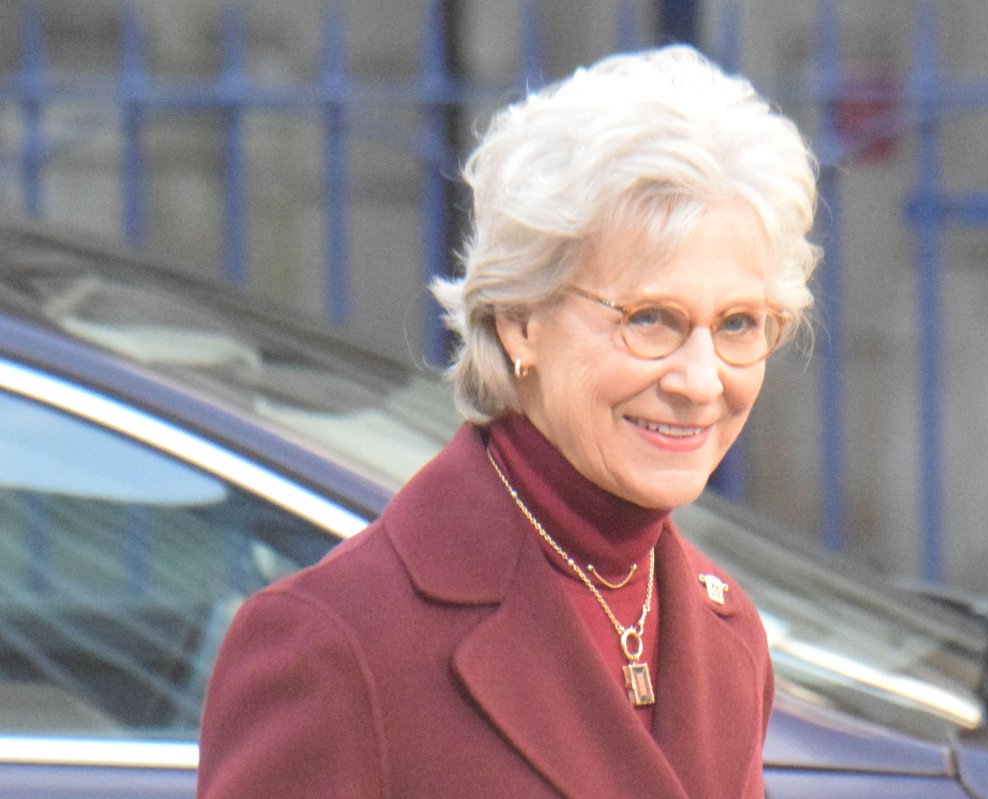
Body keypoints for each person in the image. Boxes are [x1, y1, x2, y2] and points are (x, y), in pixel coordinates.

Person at [198, 43, 819, 798]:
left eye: (739, 324)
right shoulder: (337, 639)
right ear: (520, 319)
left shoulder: (725, 633)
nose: (699, 380)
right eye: (651, 318)